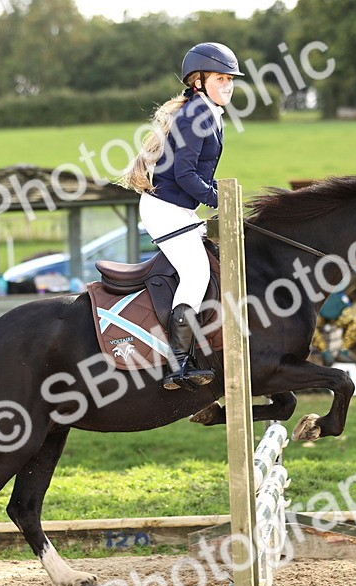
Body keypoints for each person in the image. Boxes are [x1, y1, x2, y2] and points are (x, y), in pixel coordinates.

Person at [123, 42, 243, 390]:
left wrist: (217, 196)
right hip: (166, 209)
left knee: (207, 268)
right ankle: (179, 362)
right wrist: (220, 199)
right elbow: (185, 176)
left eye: (230, 79)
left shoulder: (203, 111)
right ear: (198, 81)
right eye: (221, 78)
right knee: (196, 273)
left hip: (176, 207)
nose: (228, 85)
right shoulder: (197, 115)